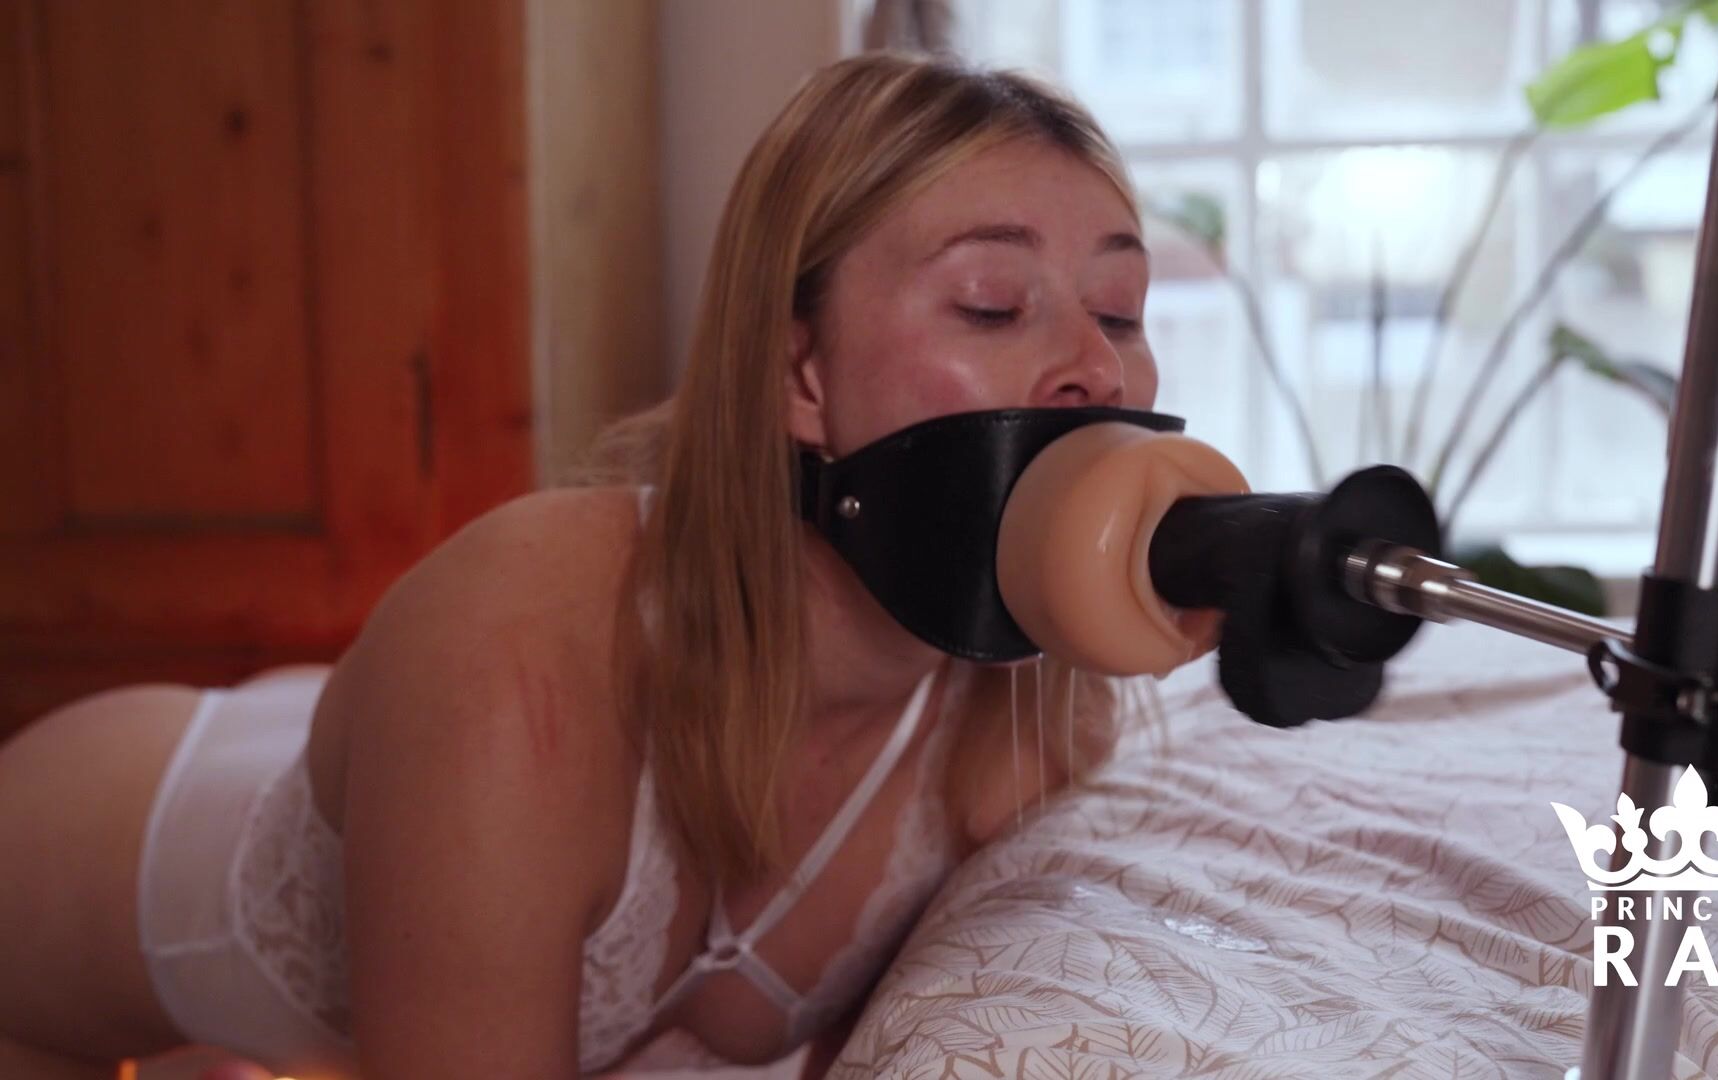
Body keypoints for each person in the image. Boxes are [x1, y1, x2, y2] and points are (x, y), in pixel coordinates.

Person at [0, 52, 1183, 1079]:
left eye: (1120, 311)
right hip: (53, 910)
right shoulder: (517, 667)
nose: (1095, 365)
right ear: (800, 376)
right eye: (991, 305)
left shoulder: (1030, 723)